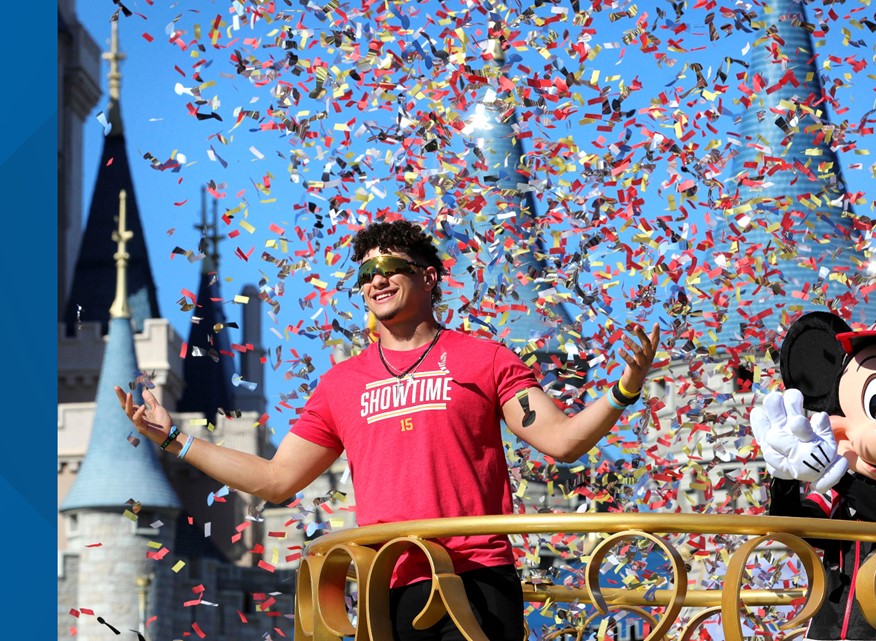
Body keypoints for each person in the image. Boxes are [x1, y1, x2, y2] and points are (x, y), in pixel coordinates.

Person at [115, 219, 660, 641]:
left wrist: (625, 387)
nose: (375, 280)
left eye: (390, 267)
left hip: (476, 575)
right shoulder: (340, 384)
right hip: (386, 583)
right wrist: (173, 439)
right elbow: (278, 480)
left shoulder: (484, 359)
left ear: (427, 277)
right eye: (364, 275)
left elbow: (562, 441)